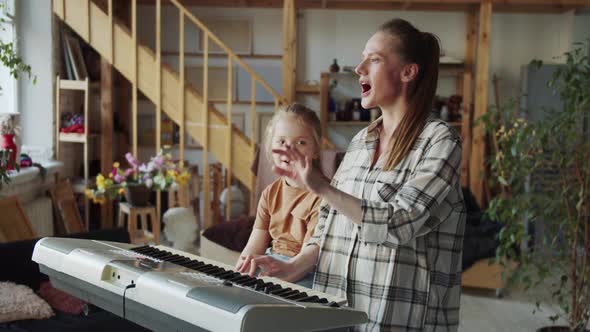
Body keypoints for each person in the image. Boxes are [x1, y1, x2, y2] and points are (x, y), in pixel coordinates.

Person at [239, 18, 466, 331]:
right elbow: (329, 228)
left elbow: (400, 224)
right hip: (339, 315)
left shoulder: (440, 141)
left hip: (399, 321)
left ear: (407, 72)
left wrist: (321, 187)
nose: (359, 68)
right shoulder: (360, 142)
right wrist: (293, 266)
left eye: (373, 59)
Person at [234, 103, 323, 288]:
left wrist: (273, 277)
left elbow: (310, 258)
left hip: (305, 270)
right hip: (271, 261)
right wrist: (239, 273)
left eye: (301, 142)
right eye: (281, 141)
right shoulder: (270, 193)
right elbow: (254, 246)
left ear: (315, 150)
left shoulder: (323, 195)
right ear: (270, 147)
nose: (289, 149)